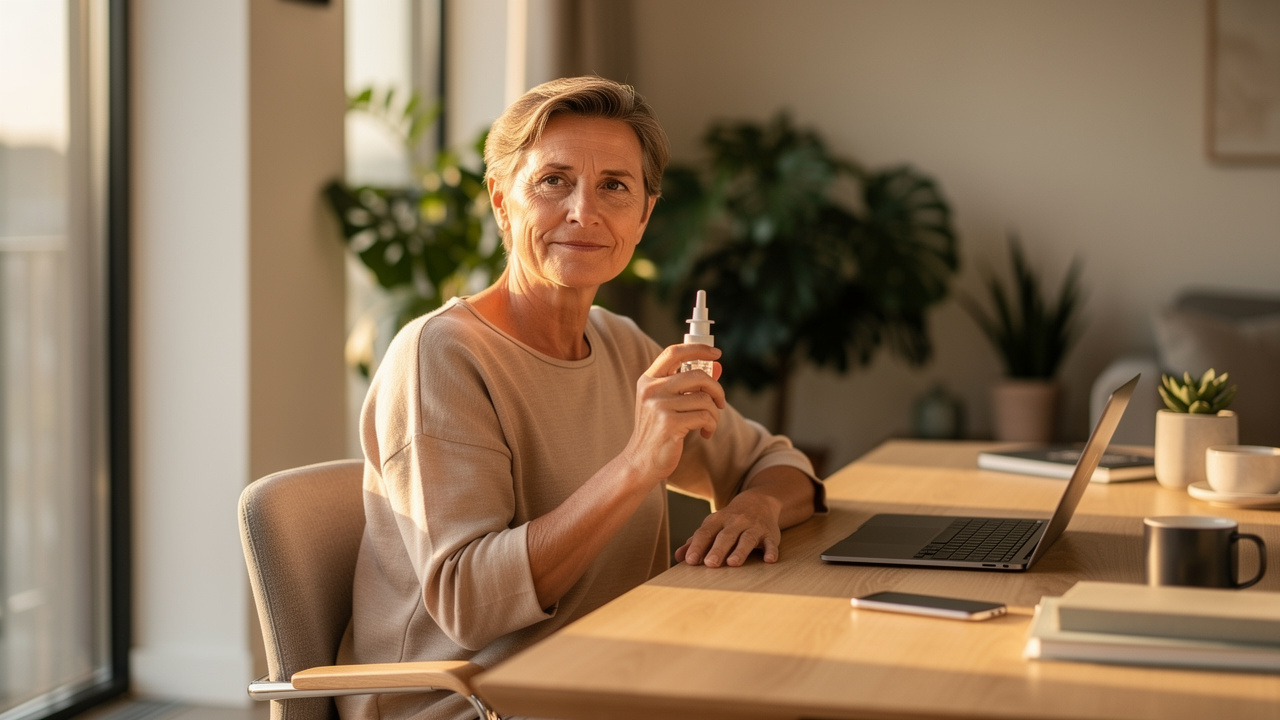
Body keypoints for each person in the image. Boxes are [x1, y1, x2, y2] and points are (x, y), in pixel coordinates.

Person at [336, 76, 823, 720]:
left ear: (644, 216)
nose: (583, 212)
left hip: (610, 676)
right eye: (552, 181)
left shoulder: (622, 345)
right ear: (502, 201)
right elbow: (469, 604)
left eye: (615, 187)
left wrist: (757, 505)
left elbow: (782, 466)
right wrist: (634, 467)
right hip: (465, 703)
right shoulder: (440, 356)